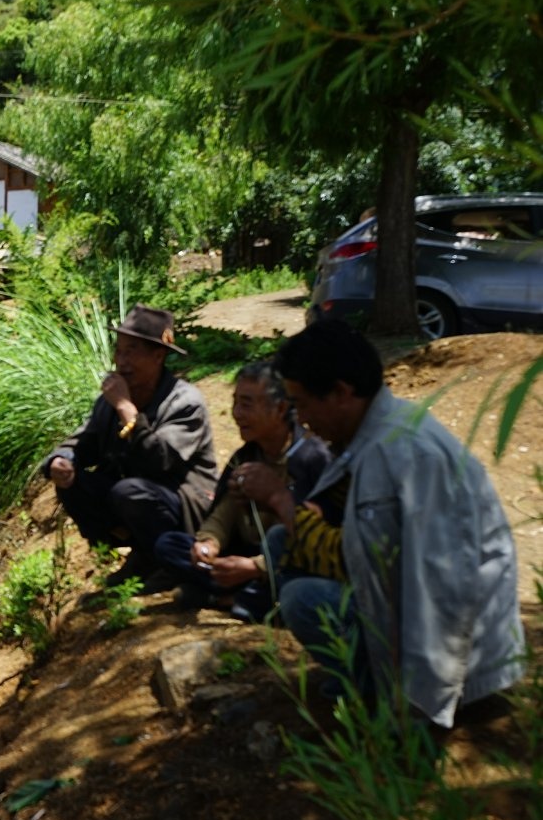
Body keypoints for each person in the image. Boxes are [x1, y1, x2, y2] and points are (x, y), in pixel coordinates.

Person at [247, 320, 523, 726]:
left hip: (463, 657)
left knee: (302, 599)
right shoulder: (376, 435)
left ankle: (380, 695)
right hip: (427, 624)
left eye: (302, 403)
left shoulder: (402, 454)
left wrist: (414, 710)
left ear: (341, 392)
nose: (300, 420)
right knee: (283, 548)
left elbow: (439, 589)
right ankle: (369, 682)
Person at [41, 304, 218, 590]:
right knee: (74, 483)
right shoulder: (111, 401)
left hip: (185, 506)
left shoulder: (185, 402)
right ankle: (143, 554)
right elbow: (84, 442)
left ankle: (168, 563)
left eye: (132, 351)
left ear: (158, 356)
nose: (121, 361)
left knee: (130, 491)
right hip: (135, 498)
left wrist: (126, 408)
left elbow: (159, 460)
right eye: (119, 350)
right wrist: (61, 460)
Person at [153, 361, 331, 622]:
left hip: (285, 562)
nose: (236, 413)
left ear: (280, 408)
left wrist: (254, 567)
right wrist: (209, 543)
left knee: (296, 583)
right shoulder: (246, 456)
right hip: (244, 557)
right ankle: (239, 596)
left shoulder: (311, 458)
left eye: (246, 405)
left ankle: (230, 599)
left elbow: (315, 540)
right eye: (235, 402)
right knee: (170, 545)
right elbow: (225, 511)